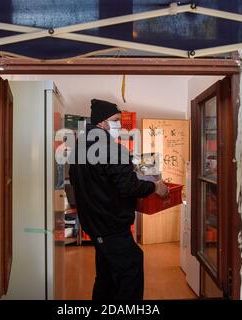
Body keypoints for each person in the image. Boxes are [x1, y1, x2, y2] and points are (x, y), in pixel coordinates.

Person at [68, 98, 169, 300]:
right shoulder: (111, 148)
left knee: (106, 277)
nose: (119, 125)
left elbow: (87, 180)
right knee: (130, 271)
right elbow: (129, 186)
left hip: (94, 225)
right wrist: (155, 186)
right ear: (102, 122)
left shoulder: (78, 147)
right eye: (115, 119)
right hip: (111, 227)